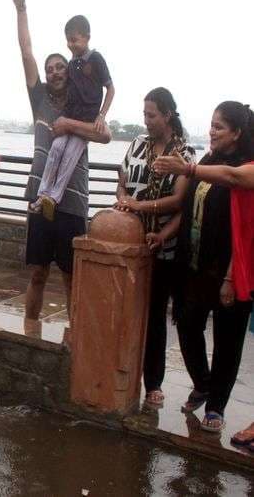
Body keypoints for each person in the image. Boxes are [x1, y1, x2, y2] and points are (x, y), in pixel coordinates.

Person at [10, 0, 112, 322]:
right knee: (38, 273)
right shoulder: (39, 101)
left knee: (72, 277)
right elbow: (26, 51)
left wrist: (72, 125)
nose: (53, 72)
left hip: (72, 202)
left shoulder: (81, 102)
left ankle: (74, 343)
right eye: (49, 68)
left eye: (59, 67)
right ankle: (29, 334)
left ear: (69, 72)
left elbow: (105, 136)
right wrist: (22, 9)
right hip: (41, 200)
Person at [150, 101, 253, 433]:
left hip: (228, 272)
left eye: (220, 127)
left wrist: (229, 277)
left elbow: (247, 228)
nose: (212, 131)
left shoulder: (246, 165)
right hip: (194, 266)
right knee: (187, 324)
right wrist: (164, 234)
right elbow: (188, 210)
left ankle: (216, 406)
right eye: (211, 125)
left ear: (238, 133)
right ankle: (203, 382)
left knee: (227, 342)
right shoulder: (209, 160)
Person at [113, 87, 195, 408]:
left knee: (156, 315)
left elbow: (179, 202)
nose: (145, 121)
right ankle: (123, 369)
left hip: (163, 246)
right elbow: (121, 179)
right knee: (127, 309)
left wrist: (139, 206)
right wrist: (123, 198)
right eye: (143, 114)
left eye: (151, 115)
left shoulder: (184, 154)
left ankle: (154, 382)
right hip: (130, 241)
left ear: (167, 115)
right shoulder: (136, 144)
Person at [32, 13, 114, 221]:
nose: (71, 45)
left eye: (75, 40)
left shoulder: (95, 59)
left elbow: (110, 88)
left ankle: (54, 197)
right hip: (71, 114)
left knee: (69, 156)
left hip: (86, 120)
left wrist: (101, 116)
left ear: (87, 37)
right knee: (57, 149)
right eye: (68, 40)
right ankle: (43, 195)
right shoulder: (72, 64)